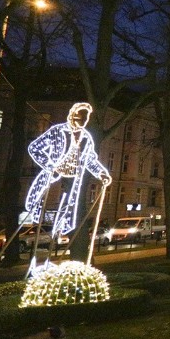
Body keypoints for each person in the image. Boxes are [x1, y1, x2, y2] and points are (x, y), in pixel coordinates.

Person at [24, 102, 112, 242]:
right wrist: (50, 166)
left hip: (73, 179)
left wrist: (101, 174)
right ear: (72, 116)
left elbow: (90, 160)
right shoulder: (57, 131)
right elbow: (35, 147)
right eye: (80, 117)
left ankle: (58, 235)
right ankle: (39, 228)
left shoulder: (86, 138)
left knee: (68, 212)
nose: (83, 121)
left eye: (85, 118)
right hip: (53, 176)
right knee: (40, 204)